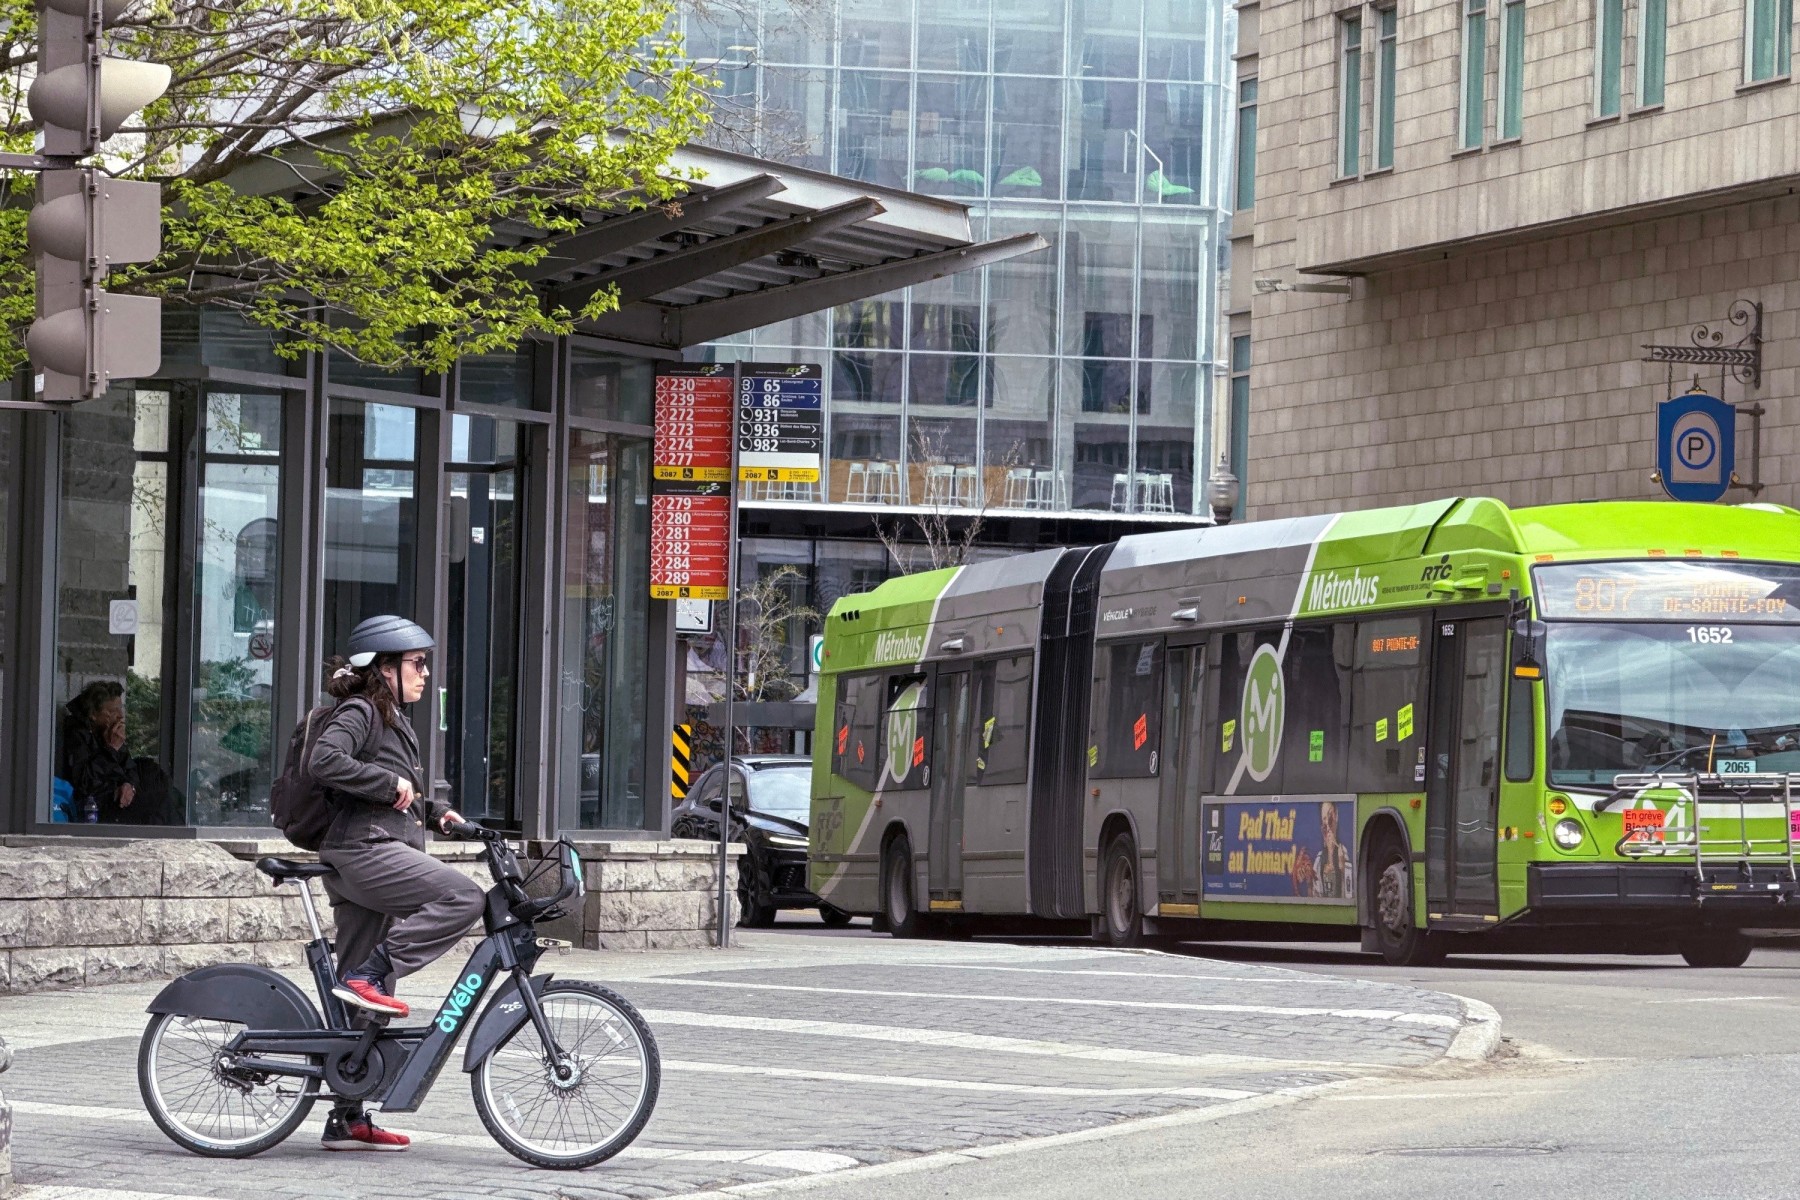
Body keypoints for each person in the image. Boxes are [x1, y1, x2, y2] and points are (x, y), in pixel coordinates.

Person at [308, 615, 485, 1153]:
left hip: (370, 849)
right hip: (364, 850)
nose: (425, 673)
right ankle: (371, 972)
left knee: (362, 999)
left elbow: (396, 795)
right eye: (416, 663)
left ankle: (346, 1116)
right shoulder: (362, 710)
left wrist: (437, 813)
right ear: (385, 667)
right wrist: (389, 784)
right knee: (464, 897)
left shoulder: (391, 718)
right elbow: (324, 760)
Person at [56, 681, 177, 825]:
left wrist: (129, 785)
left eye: (120, 709)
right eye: (113, 711)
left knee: (163, 792)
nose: (120, 716)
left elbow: (130, 768)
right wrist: (111, 749)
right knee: (158, 807)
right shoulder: (76, 735)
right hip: (93, 807)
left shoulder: (108, 732)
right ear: (93, 714)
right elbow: (84, 783)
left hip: (118, 797)